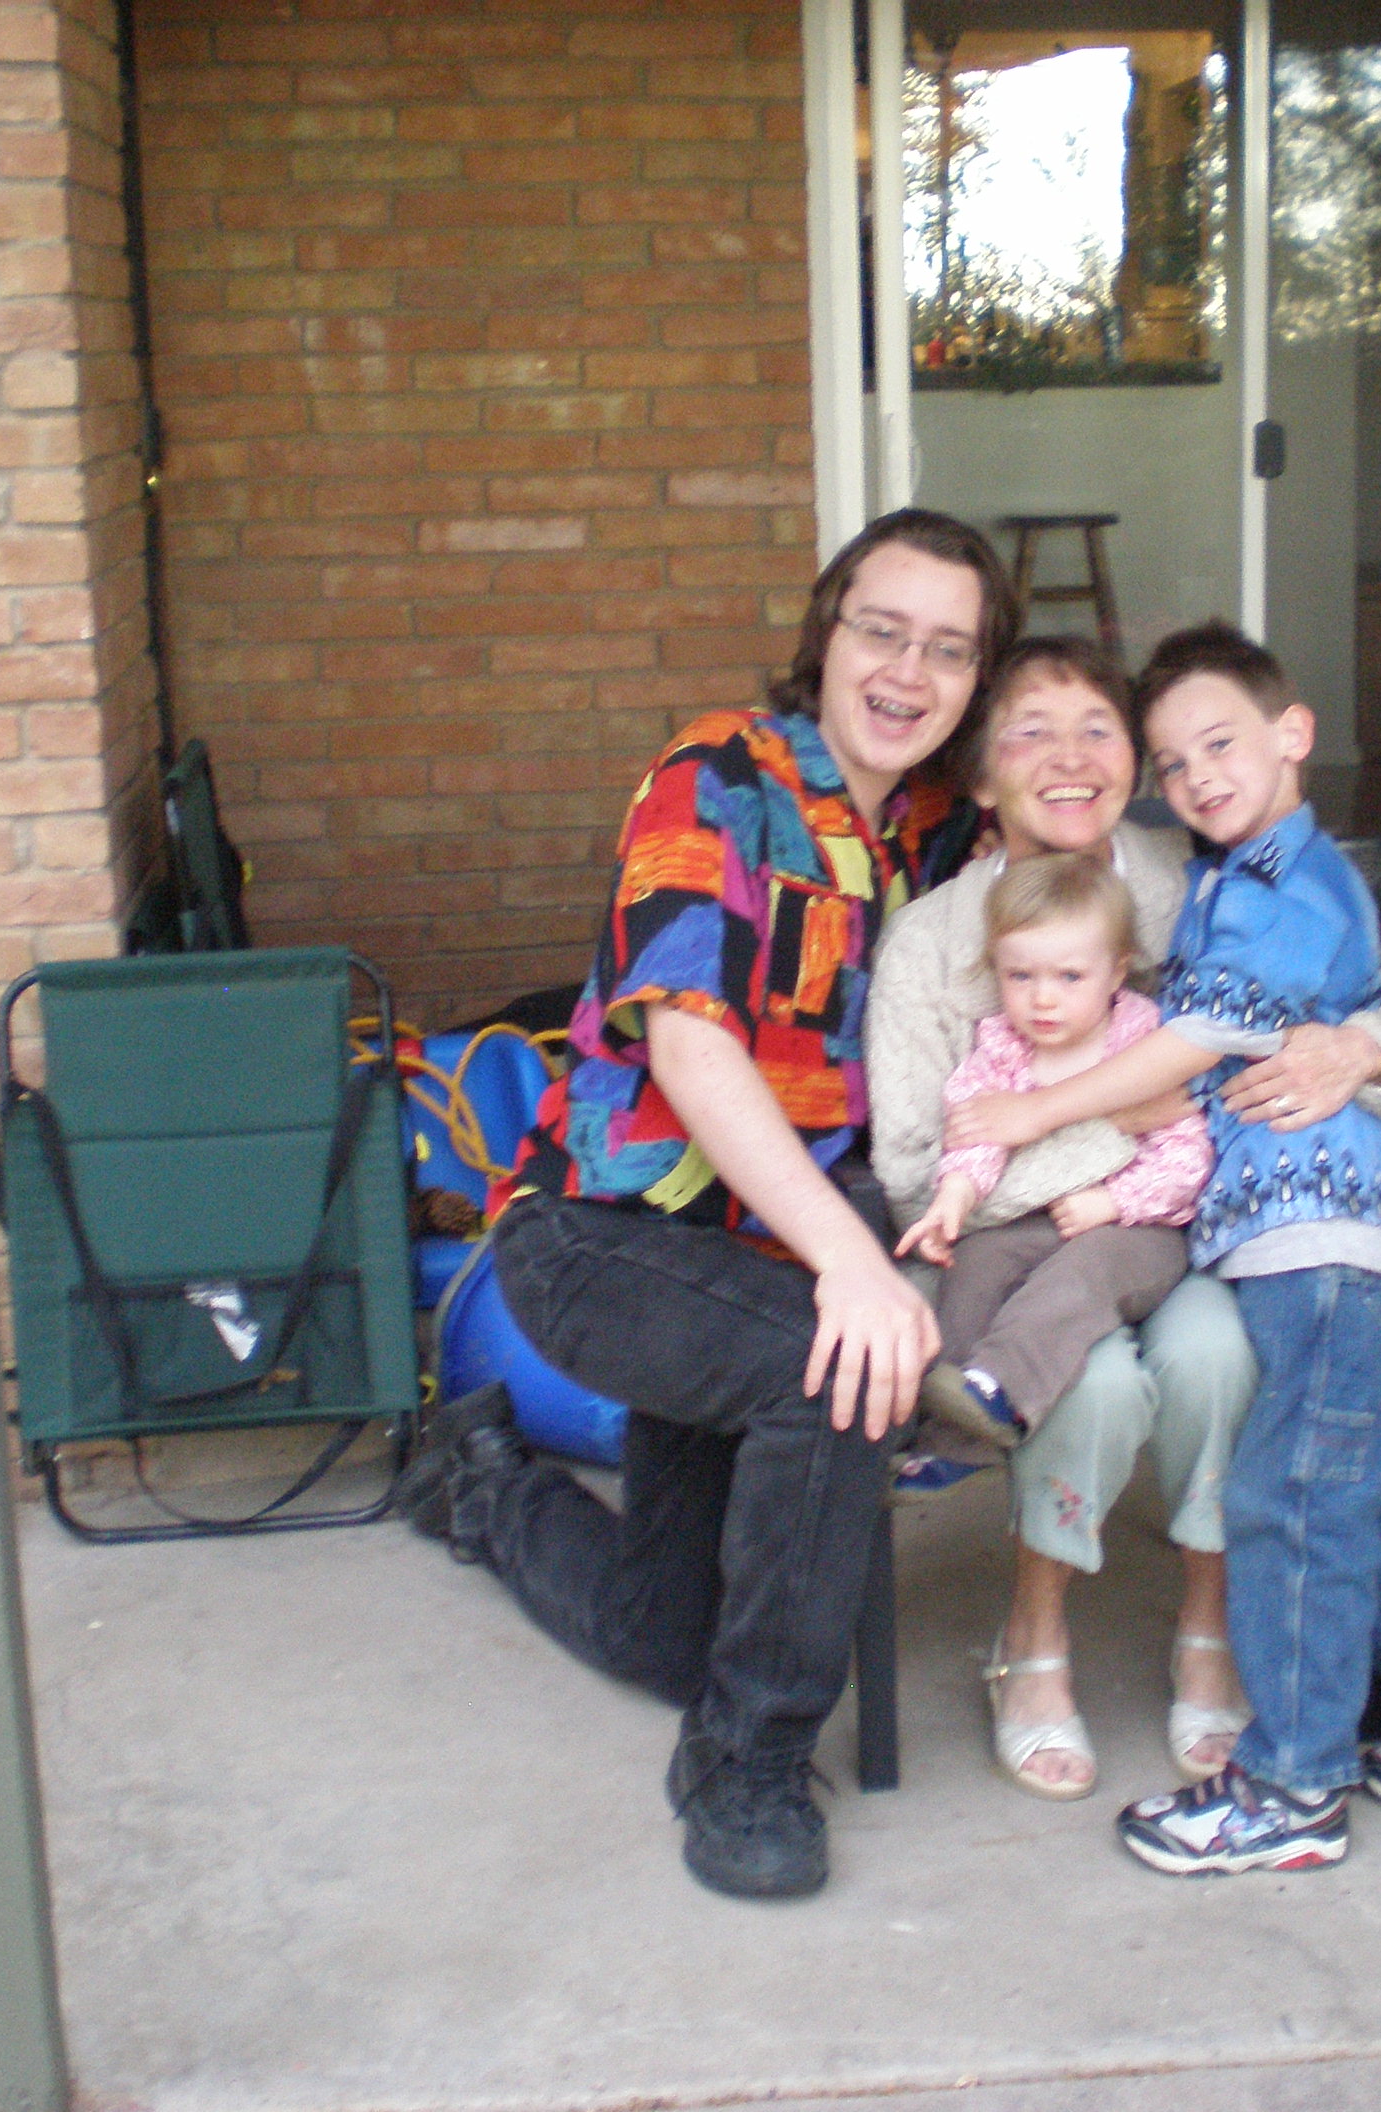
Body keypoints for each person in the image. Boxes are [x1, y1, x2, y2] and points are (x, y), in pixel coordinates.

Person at [399, 508, 1011, 1902]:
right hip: (604, 1235)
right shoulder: (716, 777)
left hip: (750, 1258)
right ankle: (744, 1764)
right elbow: (688, 1045)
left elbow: (1102, 888)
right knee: (834, 1368)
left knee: (665, 1635)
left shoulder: (942, 834)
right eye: (882, 631)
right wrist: (852, 1264)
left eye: (949, 650)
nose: (908, 672)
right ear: (825, 633)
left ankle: (482, 1485)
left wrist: (1336, 1037)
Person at [943, 622, 1381, 1878]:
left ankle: (1291, 1787)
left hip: (1310, 1230)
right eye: (1175, 762)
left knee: (1287, 1500)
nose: (1195, 777)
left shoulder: (1274, 884)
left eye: (1214, 746)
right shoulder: (1220, 871)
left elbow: (1218, 1039)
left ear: (1292, 734)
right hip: (1257, 1235)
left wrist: (1037, 1108)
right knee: (1345, 1485)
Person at [865, 635, 1381, 1800]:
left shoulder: (1195, 882)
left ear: (1135, 762)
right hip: (1003, 1254)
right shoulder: (929, 940)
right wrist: (1118, 1138)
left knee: (1220, 1351)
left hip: (1182, 1234)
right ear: (980, 777)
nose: (1069, 758)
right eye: (1030, 732)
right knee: (1100, 1382)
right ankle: (1033, 1636)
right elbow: (915, 1167)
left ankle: (1208, 1626)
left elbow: (1361, 1007)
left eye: (1098, 731)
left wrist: (1361, 1051)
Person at [896, 853, 1211, 1466]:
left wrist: (1113, 1201)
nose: (1043, 999)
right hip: (1032, 1221)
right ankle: (950, 1441)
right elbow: (976, 1130)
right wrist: (955, 1197)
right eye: (1020, 976)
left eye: (1070, 977)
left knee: (1081, 1275)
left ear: (1116, 972)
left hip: (1138, 1230)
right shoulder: (1002, 1046)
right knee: (975, 1265)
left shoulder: (1146, 1042)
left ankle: (1004, 1389)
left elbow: (1188, 1155)